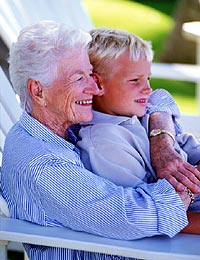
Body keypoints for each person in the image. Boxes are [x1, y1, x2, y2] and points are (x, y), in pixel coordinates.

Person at [0, 20, 198, 260]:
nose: (95, 88)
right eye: (79, 79)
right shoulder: (45, 166)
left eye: (90, 74)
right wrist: (191, 178)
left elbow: (157, 98)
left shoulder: (65, 121)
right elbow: (136, 216)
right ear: (39, 91)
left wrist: (161, 140)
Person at [77, 27, 200, 234]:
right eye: (135, 80)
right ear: (97, 83)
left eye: (148, 78)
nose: (147, 89)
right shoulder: (104, 143)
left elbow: (187, 146)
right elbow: (154, 215)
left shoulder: (140, 115)